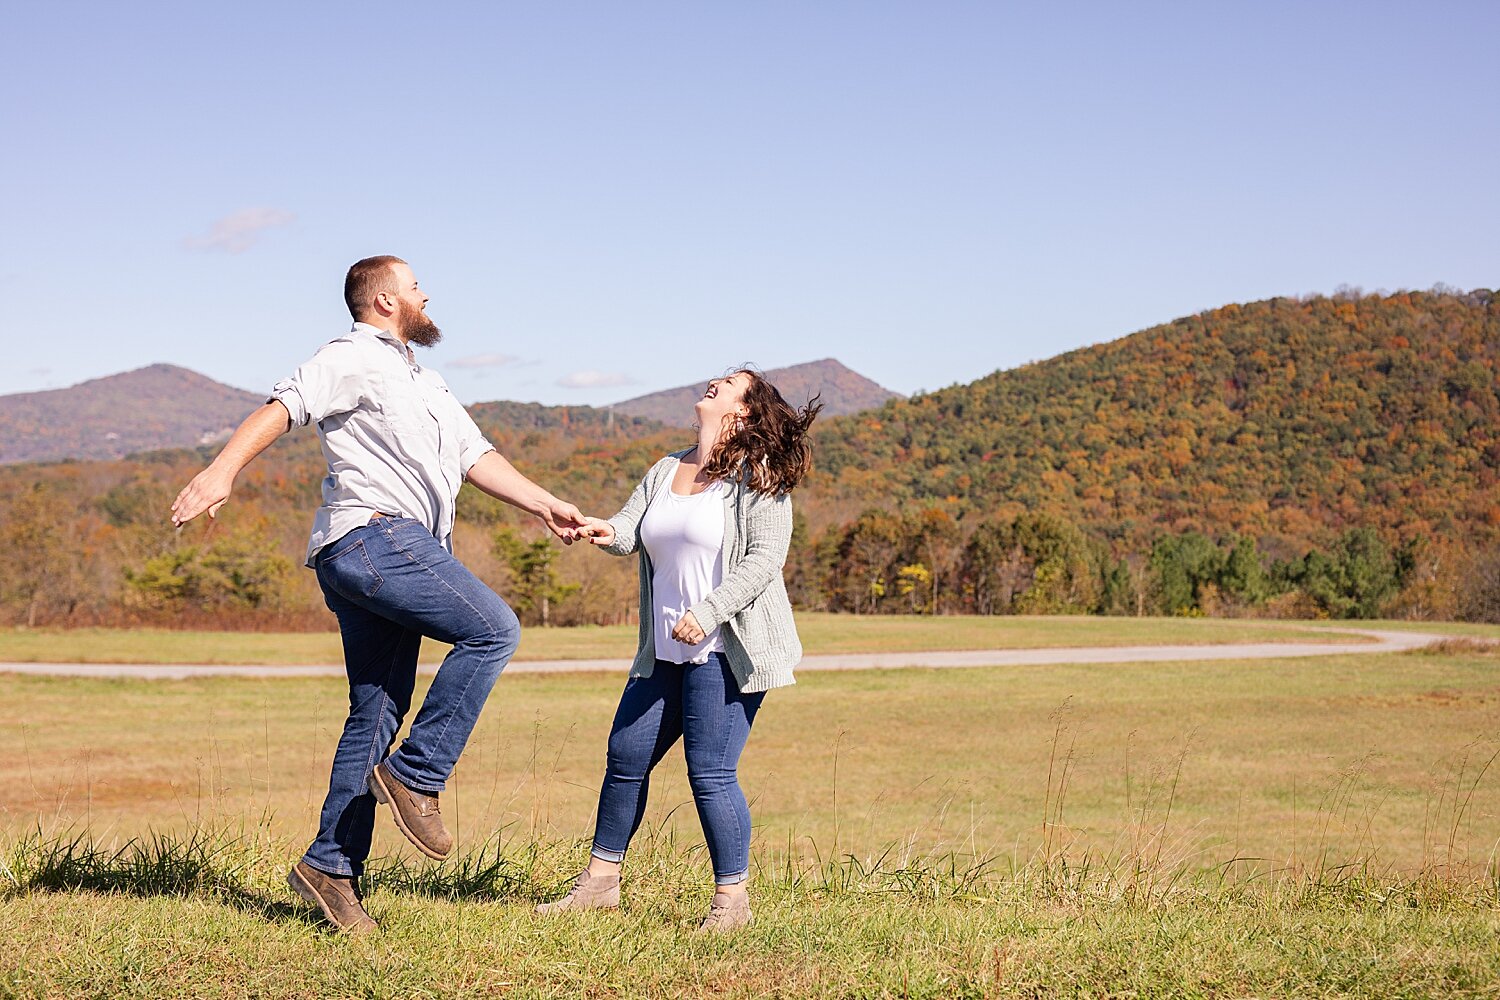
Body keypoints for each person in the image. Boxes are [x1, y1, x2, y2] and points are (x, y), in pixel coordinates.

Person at [170, 255, 588, 933]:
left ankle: (329, 867)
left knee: (376, 713)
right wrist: (222, 471)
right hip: (375, 539)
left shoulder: (427, 381)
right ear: (388, 300)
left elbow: (475, 457)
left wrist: (546, 505)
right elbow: (285, 405)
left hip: (372, 553)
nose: (428, 296)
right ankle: (418, 775)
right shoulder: (352, 357)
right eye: (418, 287)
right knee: (493, 629)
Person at [536, 368, 820, 932]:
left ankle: (731, 902)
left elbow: (765, 561)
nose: (713, 383)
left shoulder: (758, 476)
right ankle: (598, 886)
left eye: (728, 384)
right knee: (625, 757)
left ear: (743, 411)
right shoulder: (668, 467)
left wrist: (709, 613)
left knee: (710, 772)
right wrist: (597, 529)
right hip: (664, 647)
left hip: (725, 647)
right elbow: (629, 530)